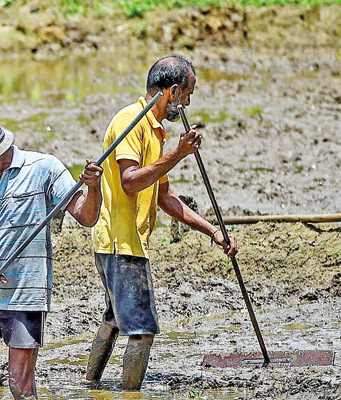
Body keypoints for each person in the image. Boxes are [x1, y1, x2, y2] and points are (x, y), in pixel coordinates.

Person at [85, 55, 239, 390]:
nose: (187, 103)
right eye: (187, 94)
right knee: (141, 330)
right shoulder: (132, 121)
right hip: (119, 243)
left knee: (113, 319)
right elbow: (129, 181)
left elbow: (164, 197)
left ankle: (90, 386)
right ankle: (130, 394)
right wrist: (179, 154)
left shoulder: (156, 132)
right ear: (171, 92)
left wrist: (213, 231)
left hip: (122, 243)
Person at [0, 112, 104, 399]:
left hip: (25, 292)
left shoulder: (44, 168)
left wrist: (93, 186)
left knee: (20, 386)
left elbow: (87, 216)